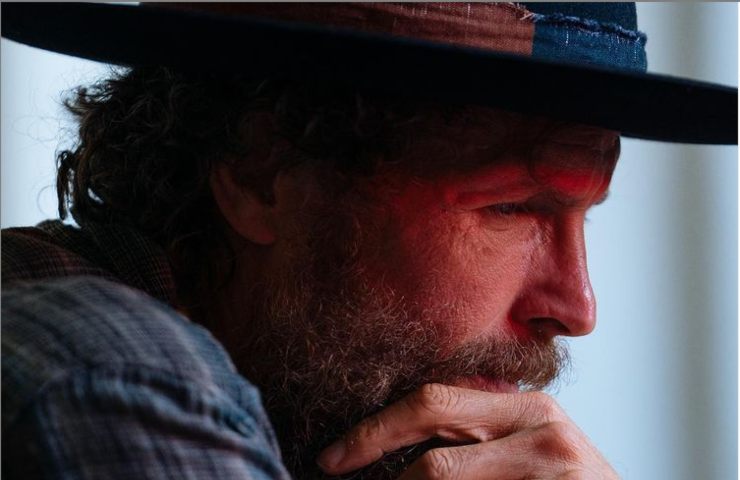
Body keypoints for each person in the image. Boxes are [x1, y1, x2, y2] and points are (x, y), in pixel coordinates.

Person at [1, 3, 736, 480]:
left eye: (584, 216)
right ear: (263, 178)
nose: (576, 307)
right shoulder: (115, 380)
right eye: (511, 208)